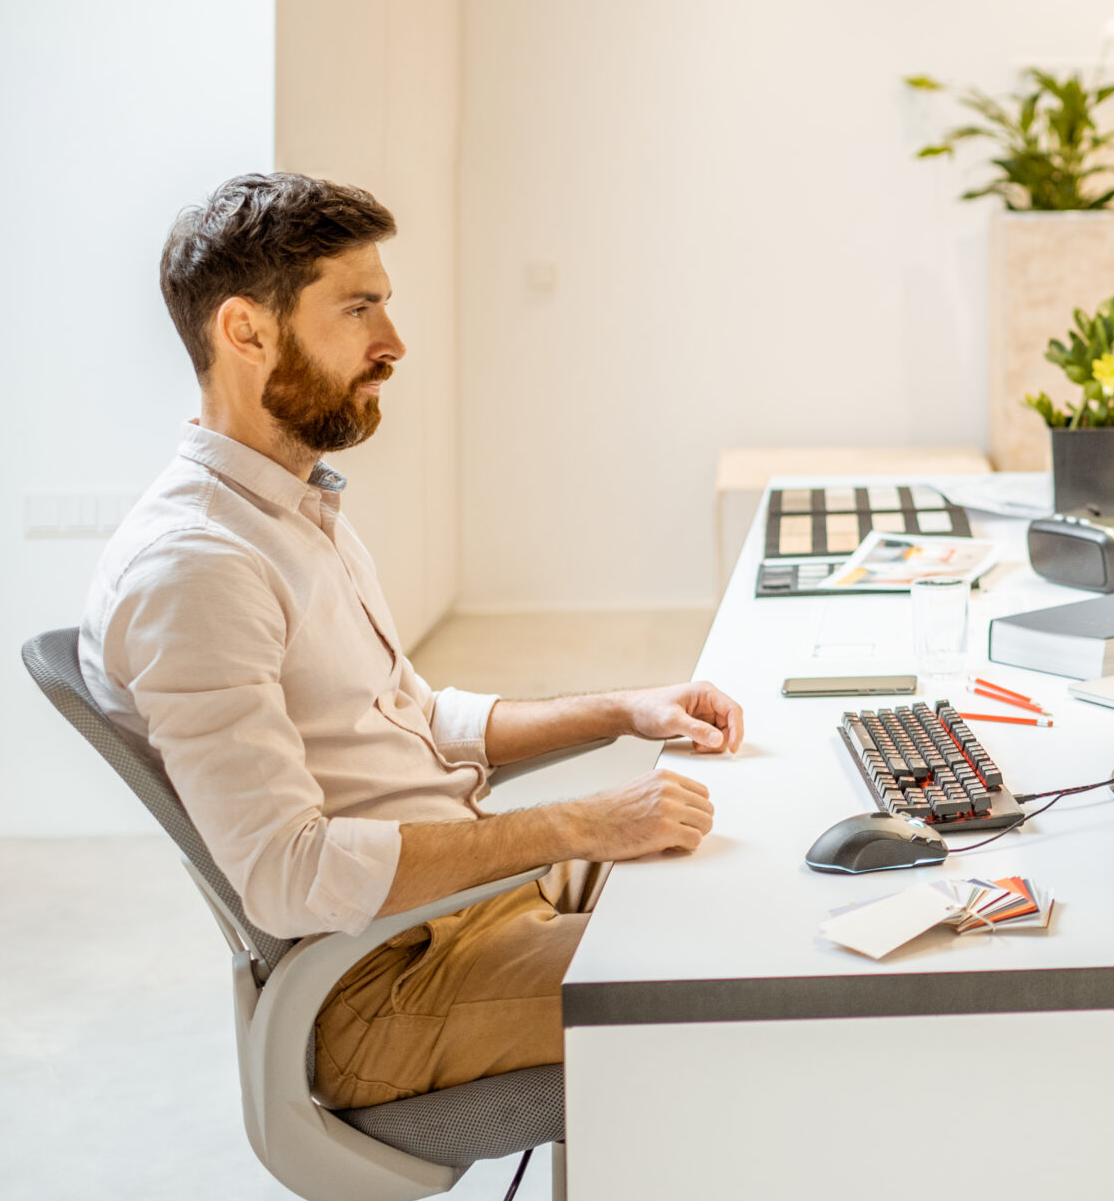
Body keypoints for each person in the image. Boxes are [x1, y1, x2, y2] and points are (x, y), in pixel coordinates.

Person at [81, 173, 744, 1111]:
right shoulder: (198, 568)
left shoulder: (293, 505)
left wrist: (626, 707)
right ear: (246, 331)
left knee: (765, 885)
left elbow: (417, 718)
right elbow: (288, 873)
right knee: (755, 986)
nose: (393, 345)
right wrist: (580, 822)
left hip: (472, 910)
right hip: (392, 985)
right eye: (358, 310)